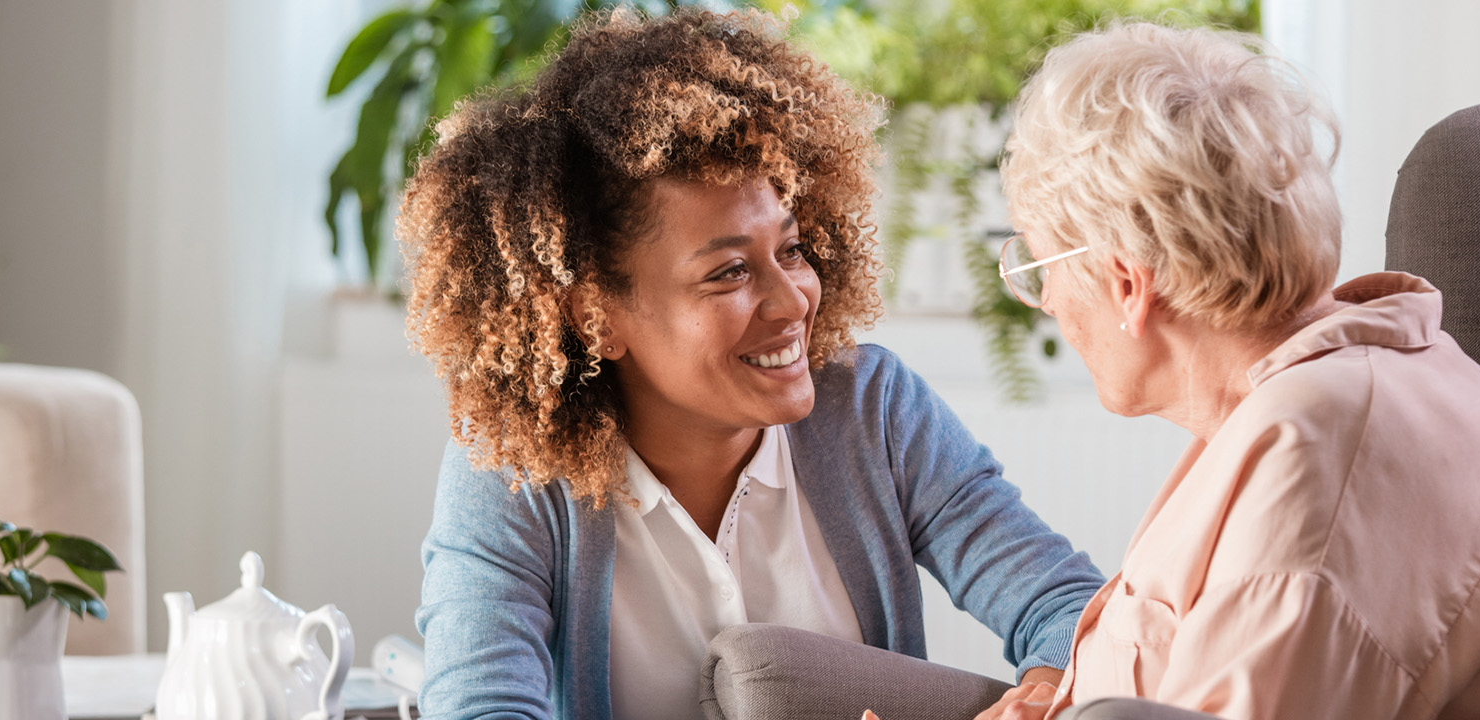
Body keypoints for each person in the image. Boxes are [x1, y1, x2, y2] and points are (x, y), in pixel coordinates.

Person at [398, 8, 1104, 719]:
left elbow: (1071, 608)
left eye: (791, 251)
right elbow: (478, 707)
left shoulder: (873, 410)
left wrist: (1039, 699)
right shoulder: (514, 469)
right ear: (596, 317)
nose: (793, 300)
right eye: (729, 272)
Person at [975, 20, 1480, 720]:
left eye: (1041, 267)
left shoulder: (1318, 458)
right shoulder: (1314, 396)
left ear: (1128, 284)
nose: (1047, 301)